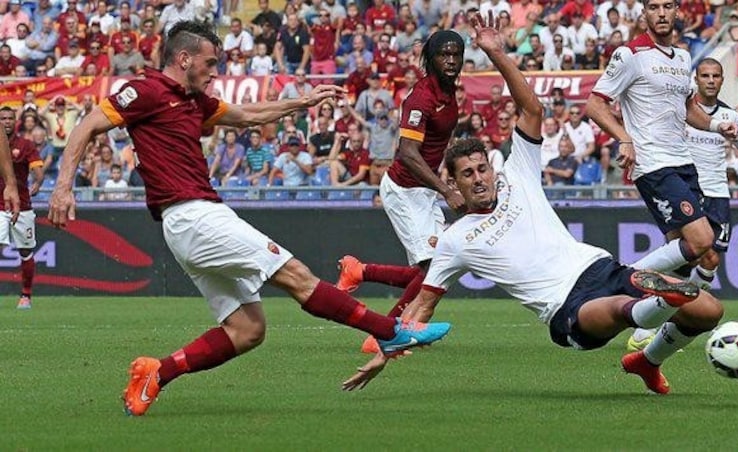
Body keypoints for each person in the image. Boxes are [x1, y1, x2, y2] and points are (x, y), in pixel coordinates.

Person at [46, 20, 451, 417]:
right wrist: (63, 187)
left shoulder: (194, 101)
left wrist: (301, 102)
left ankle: (156, 373)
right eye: (209, 63)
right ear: (184, 58)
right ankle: (390, 332)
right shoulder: (145, 90)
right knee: (297, 276)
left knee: (247, 330)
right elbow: (86, 126)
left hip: (193, 221)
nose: (215, 71)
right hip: (194, 216)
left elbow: (247, 115)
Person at [341, 13, 723, 395]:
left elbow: (532, 110)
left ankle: (646, 359)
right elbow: (421, 308)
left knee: (710, 312)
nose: (478, 179)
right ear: (453, 184)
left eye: (481, 169)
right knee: (621, 309)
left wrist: (496, 53)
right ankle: (653, 303)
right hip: (568, 307)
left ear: (491, 169)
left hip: (599, 267)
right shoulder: (455, 240)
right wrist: (384, 352)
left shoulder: (516, 175)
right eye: (467, 175)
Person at [585, 0, 738, 279]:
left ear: (678, 11)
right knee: (702, 239)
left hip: (684, 163)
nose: (662, 13)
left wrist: (717, 125)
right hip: (654, 164)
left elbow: (689, 107)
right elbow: (595, 105)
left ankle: (656, 324)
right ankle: (620, 279)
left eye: (668, 6)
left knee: (695, 260)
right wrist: (624, 138)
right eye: (654, 7)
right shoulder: (630, 54)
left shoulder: (681, 57)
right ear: (644, 13)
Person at [334, 29, 465, 353]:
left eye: (455, 54)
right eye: (443, 55)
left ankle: (359, 271)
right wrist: (446, 191)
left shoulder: (449, 93)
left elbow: (436, 147)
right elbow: (407, 152)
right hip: (405, 189)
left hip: (424, 190)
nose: (450, 60)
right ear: (431, 59)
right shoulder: (421, 98)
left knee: (436, 267)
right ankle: (385, 333)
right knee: (432, 267)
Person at [627, 58, 738, 350]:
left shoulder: (730, 115)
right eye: (705, 76)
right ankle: (651, 307)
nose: (710, 80)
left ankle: (673, 312)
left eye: (716, 76)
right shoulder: (681, 113)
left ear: (722, 80)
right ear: (695, 80)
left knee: (710, 260)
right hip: (686, 188)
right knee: (686, 257)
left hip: (718, 194)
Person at [0, 106, 41, 309]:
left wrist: (39, 181)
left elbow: (37, 168)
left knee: (25, 251)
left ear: (15, 121)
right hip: (0, 206)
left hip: (22, 205)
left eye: (9, 118)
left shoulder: (25, 145)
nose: (6, 121)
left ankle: (26, 295)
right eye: (3, 118)